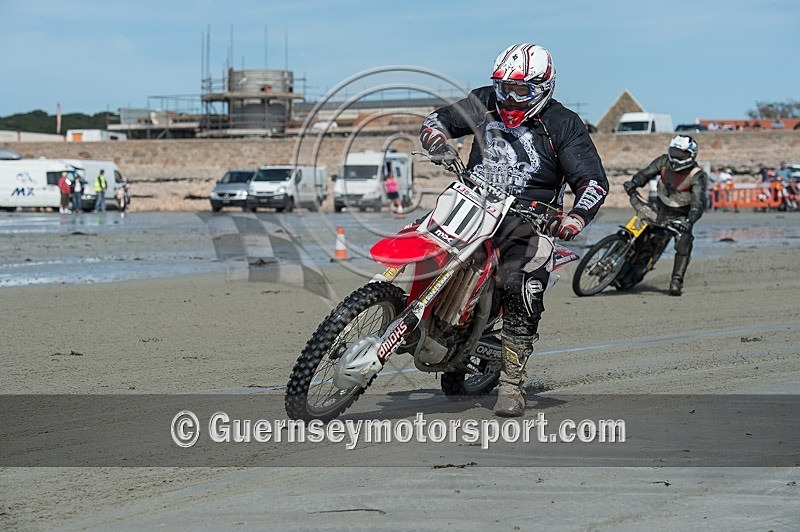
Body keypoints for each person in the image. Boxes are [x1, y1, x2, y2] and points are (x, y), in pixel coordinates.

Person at [419, 43, 609, 417]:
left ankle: (511, 382)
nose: (509, 97)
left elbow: (592, 182)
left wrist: (575, 218)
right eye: (504, 87)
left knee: (521, 282)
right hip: (471, 202)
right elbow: (436, 120)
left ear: (543, 87)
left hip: (528, 219)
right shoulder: (484, 100)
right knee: (422, 241)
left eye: (520, 90)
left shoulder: (563, 124)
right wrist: (437, 139)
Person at [623, 135, 708, 296]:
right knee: (636, 232)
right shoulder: (663, 161)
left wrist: (690, 221)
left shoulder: (697, 175)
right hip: (658, 209)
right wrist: (633, 183)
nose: (676, 157)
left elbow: (698, 202)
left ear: (691, 155)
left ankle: (676, 281)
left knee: (684, 243)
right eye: (674, 152)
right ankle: (619, 253)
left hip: (681, 217)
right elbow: (645, 174)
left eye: (680, 154)